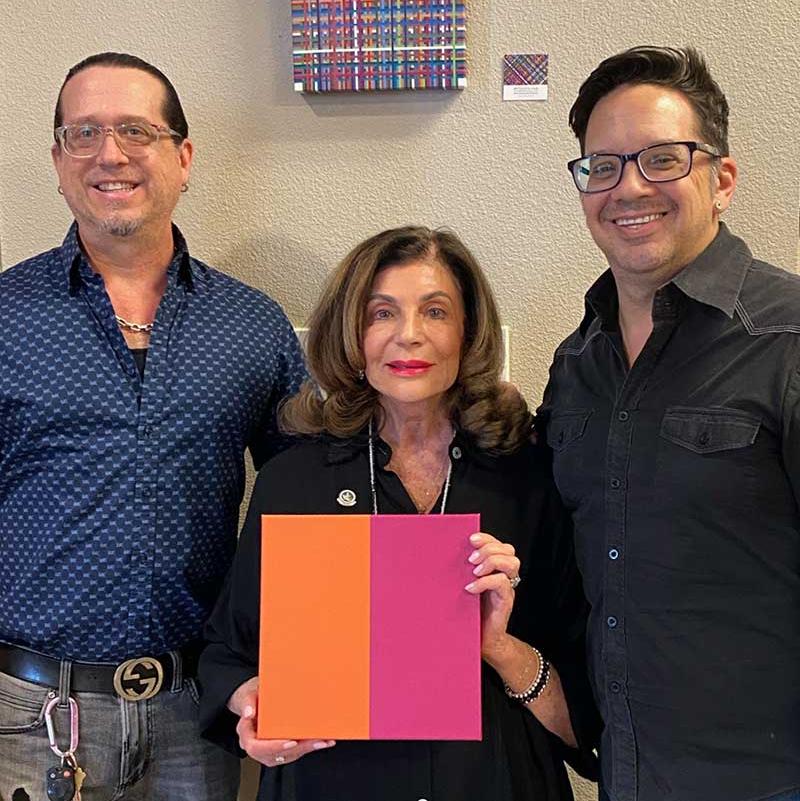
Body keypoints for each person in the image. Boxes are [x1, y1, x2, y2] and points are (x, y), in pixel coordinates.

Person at [199, 225, 600, 800]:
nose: (408, 336)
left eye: (435, 312)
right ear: (351, 335)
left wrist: (497, 647)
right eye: (381, 313)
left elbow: (588, 720)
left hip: (494, 782)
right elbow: (226, 654)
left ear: (468, 333)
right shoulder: (295, 480)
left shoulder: (528, 475)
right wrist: (253, 712)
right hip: (330, 783)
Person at [0, 53, 306, 800]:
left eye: (136, 130)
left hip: (197, 712)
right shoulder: (6, 316)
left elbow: (309, 501)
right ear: (59, 161)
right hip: (30, 715)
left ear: (183, 157)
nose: (110, 153)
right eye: (84, 133)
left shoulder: (254, 326)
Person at [538, 46, 800, 801]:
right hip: (628, 775)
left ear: (721, 181)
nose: (629, 188)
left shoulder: (785, 342)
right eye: (603, 166)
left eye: (662, 159)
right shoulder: (576, 363)